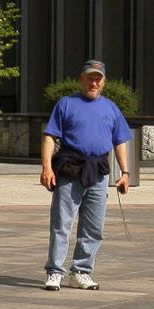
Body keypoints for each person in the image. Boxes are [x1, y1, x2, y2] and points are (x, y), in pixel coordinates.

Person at [40, 59, 133, 291]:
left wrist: (125, 172)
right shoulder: (66, 104)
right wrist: (46, 167)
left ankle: (81, 271)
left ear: (104, 82)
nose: (94, 82)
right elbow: (50, 136)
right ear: (82, 79)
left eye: (98, 78)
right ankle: (55, 272)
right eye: (90, 77)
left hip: (98, 172)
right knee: (62, 223)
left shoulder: (111, 108)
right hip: (70, 168)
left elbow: (120, 140)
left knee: (93, 226)